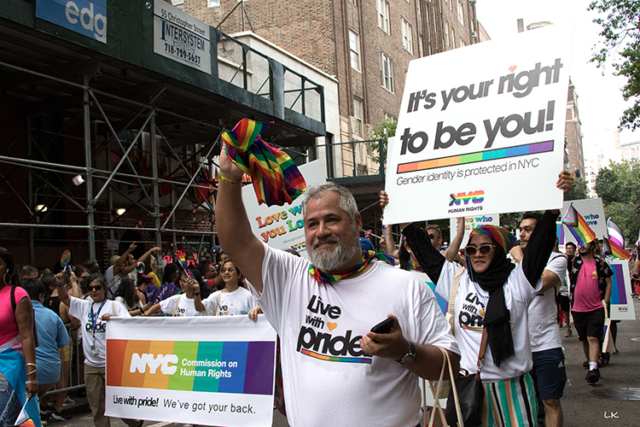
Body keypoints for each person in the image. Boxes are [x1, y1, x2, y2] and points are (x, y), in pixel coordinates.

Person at [216, 148, 460, 427]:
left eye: (331, 219)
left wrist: (403, 351)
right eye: (312, 224)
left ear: (357, 222)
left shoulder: (405, 286)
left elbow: (449, 365)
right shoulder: (290, 279)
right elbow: (236, 240)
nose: (321, 231)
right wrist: (228, 178)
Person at [392, 171, 573, 427]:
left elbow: (539, 249)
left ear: (499, 251)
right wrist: (402, 217)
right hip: (469, 387)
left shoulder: (518, 283)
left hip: (512, 390)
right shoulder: (459, 279)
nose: (477, 254)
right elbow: (427, 254)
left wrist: (553, 209)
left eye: (485, 248)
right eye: (471, 249)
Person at [56, 272, 141, 427]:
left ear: (104, 288)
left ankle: (134, 422)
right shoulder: (84, 306)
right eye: (90, 288)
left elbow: (129, 325)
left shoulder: (115, 306)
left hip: (112, 364)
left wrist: (114, 319)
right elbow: (64, 299)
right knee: (96, 405)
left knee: (119, 401)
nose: (94, 291)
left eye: (97, 287)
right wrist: (61, 285)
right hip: (91, 365)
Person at [514, 213, 568, 427]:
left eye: (528, 229)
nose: (522, 234)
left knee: (550, 400)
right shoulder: (508, 261)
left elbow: (541, 283)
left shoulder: (557, 259)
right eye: (521, 229)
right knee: (524, 402)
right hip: (517, 347)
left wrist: (521, 259)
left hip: (546, 344)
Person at [19, 278, 70, 422]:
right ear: (41, 296)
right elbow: (63, 342)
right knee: (30, 403)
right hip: (51, 371)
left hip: (29, 372)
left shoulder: (17, 315)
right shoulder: (53, 316)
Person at [0, 247, 39, 427]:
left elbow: (27, 337)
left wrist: (32, 377)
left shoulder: (17, 294)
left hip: (10, 370)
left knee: (8, 420)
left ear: (6, 268)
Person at [568, 239, 613, 383]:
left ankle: (594, 368)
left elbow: (608, 280)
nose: (581, 246)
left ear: (592, 246)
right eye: (579, 244)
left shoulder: (599, 262)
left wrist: (605, 300)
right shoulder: (573, 261)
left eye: (585, 243)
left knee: (593, 337)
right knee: (584, 338)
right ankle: (591, 363)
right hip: (577, 308)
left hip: (596, 307)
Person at [41, 274, 78, 417]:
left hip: (47, 342)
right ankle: (59, 407)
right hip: (62, 342)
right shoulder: (62, 303)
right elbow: (74, 320)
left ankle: (43, 404)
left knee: (44, 376)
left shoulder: (43, 302)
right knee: (63, 376)